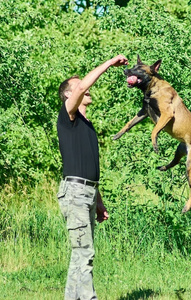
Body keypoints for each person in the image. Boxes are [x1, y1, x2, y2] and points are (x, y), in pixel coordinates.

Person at [56, 54, 128, 300]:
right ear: (69, 94)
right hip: (74, 193)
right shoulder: (68, 116)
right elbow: (85, 85)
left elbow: (88, 167)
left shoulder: (87, 126)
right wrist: (109, 63)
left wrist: (99, 201)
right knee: (84, 251)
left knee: (81, 253)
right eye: (78, 86)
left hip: (86, 192)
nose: (85, 89)